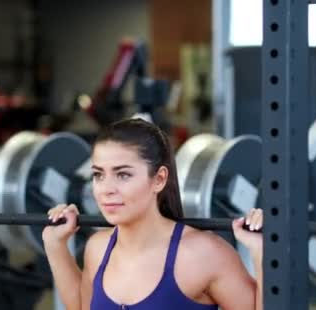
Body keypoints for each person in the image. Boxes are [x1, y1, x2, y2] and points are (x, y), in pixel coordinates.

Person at [43, 119, 263, 309]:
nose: (106, 189)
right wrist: (56, 246)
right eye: (99, 175)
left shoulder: (203, 254)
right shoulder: (98, 249)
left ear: (159, 179)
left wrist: (260, 253)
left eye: (123, 175)